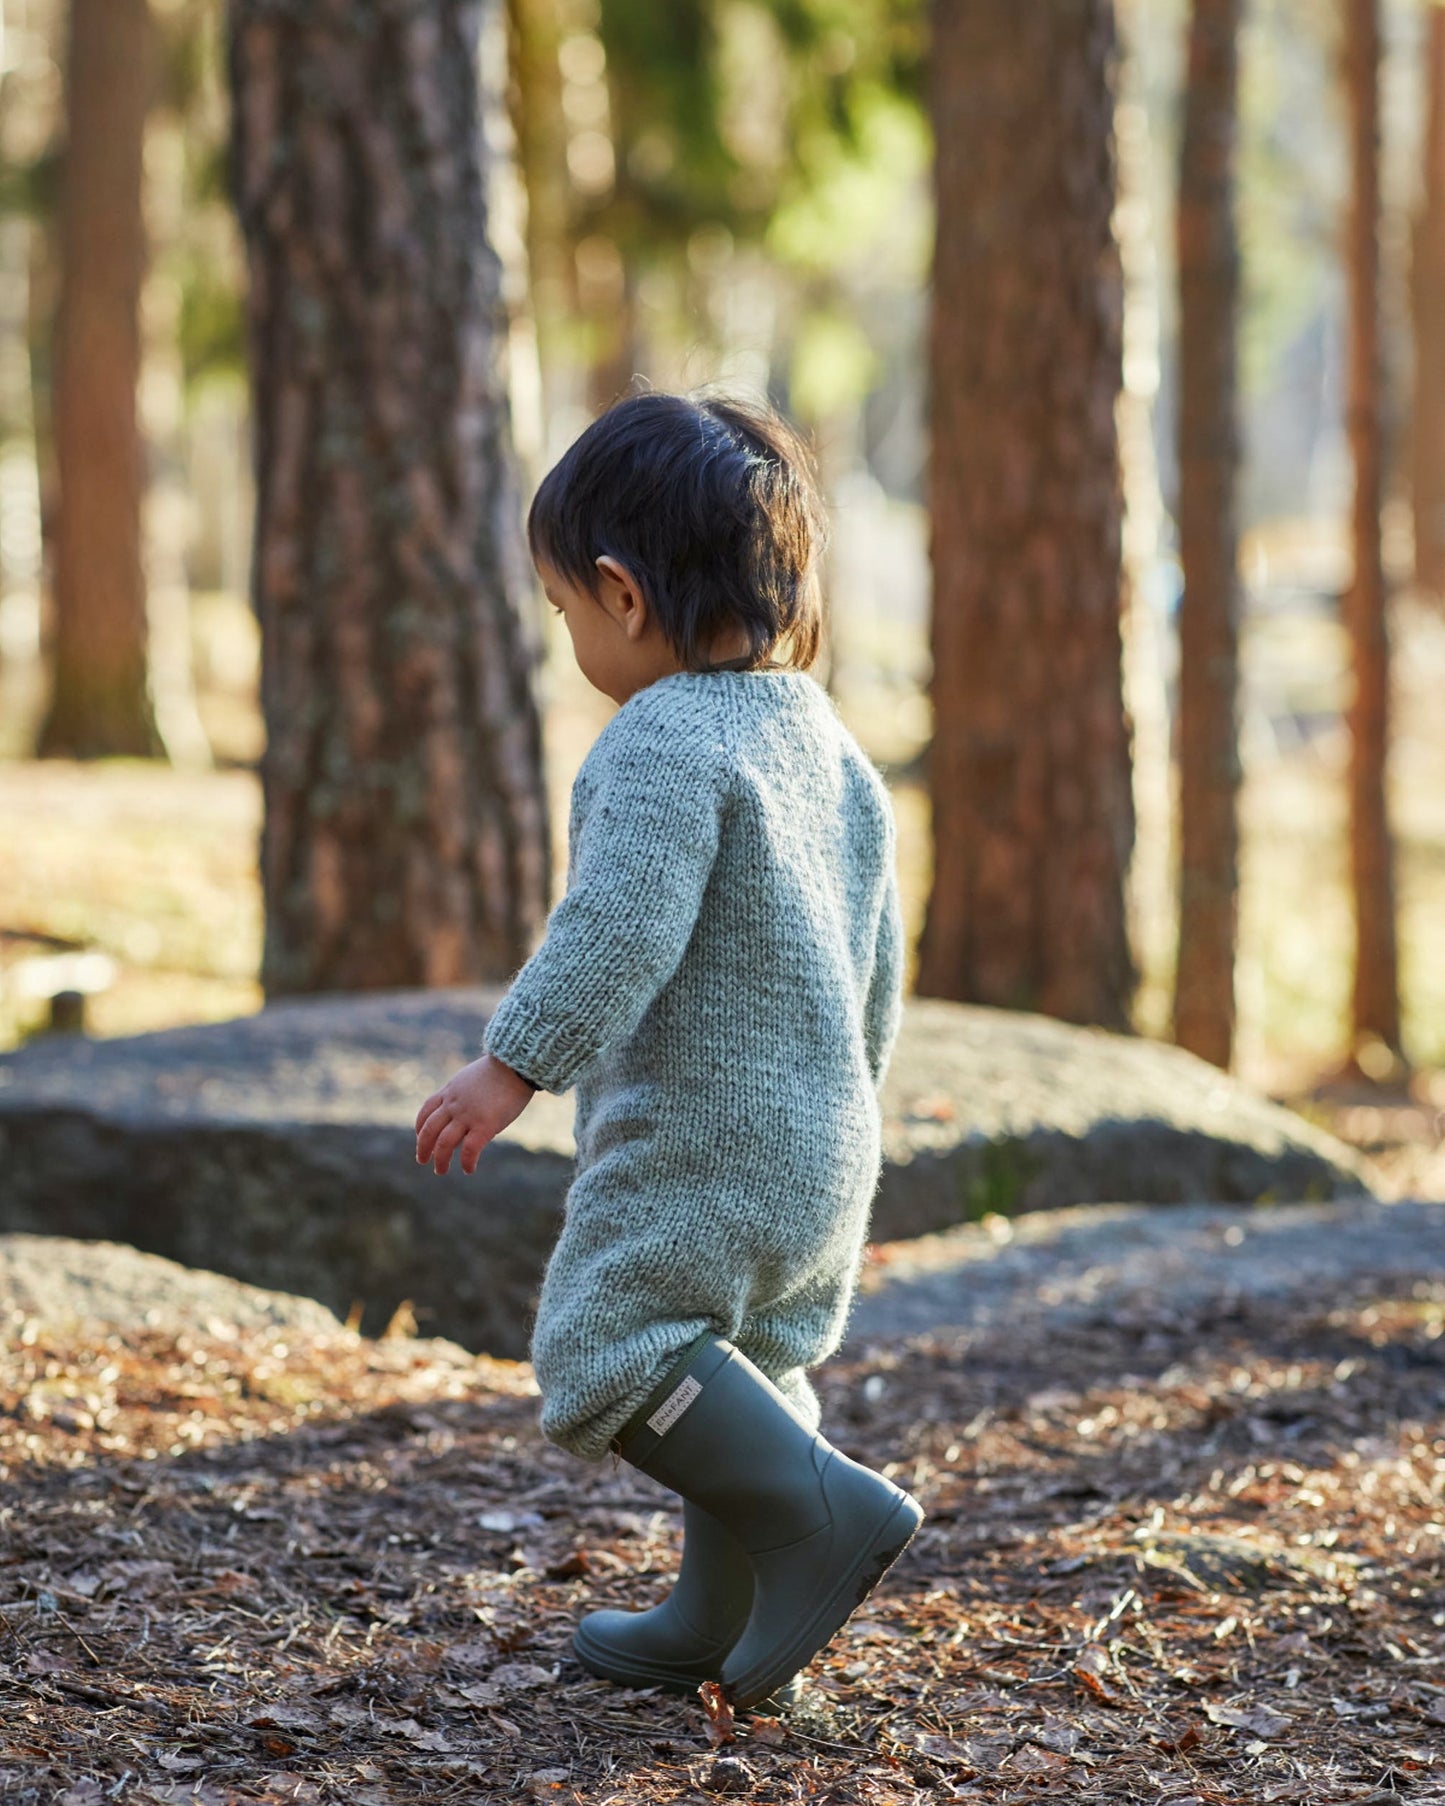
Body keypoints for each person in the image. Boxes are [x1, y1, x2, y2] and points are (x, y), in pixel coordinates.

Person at [414, 391, 922, 1712]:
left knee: (613, 1336)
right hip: (822, 1132)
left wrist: (512, 1063)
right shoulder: (823, 739)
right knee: (751, 1357)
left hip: (707, 1132)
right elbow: (877, 954)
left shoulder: (660, 736)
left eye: (563, 611)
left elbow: (618, 924)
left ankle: (824, 1519)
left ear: (620, 595)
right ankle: (726, 1613)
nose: (572, 637)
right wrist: (851, 1101)